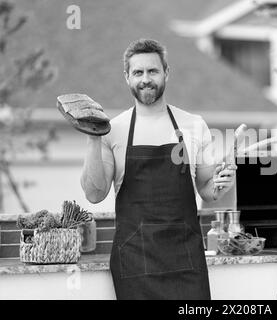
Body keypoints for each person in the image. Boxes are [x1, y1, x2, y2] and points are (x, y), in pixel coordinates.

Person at [80, 38, 237, 300]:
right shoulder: (111, 130)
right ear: (127, 77)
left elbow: (208, 191)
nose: (145, 79)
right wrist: (92, 136)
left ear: (166, 72)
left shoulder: (193, 125)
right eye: (138, 72)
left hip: (185, 261)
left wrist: (222, 182)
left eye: (152, 71)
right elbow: (94, 194)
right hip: (134, 264)